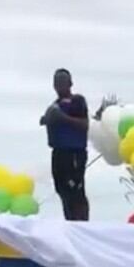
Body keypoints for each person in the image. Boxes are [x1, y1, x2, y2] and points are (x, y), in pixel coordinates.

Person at [40, 68, 90, 220]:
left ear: (70, 83)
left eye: (63, 82)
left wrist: (63, 118)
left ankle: (82, 224)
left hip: (74, 153)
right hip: (58, 154)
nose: (60, 86)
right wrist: (46, 119)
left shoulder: (77, 101)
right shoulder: (54, 105)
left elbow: (85, 124)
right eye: (57, 83)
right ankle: (70, 221)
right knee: (62, 190)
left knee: (76, 191)